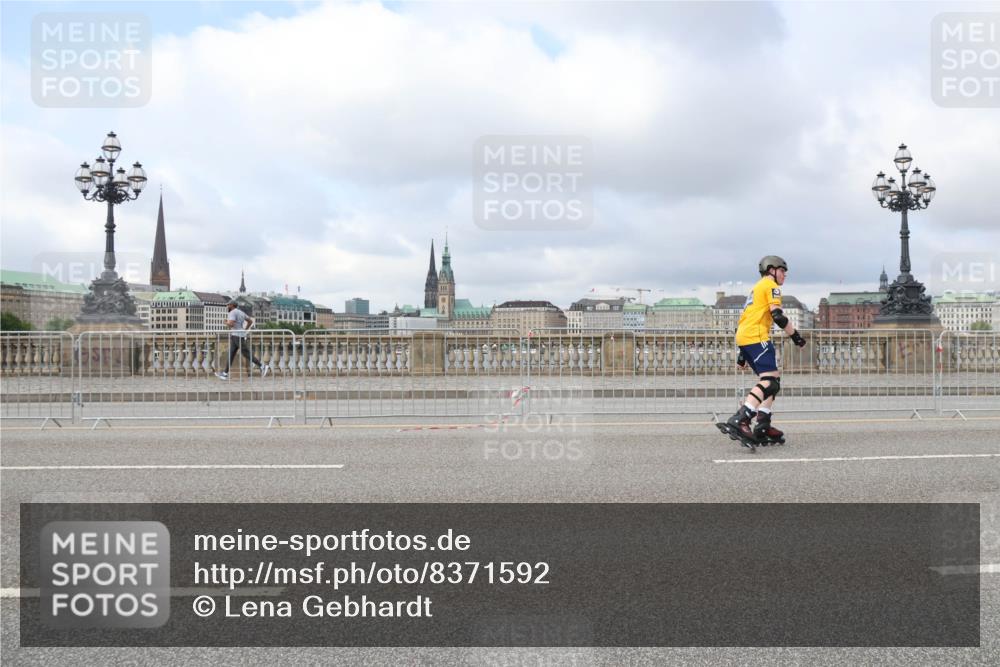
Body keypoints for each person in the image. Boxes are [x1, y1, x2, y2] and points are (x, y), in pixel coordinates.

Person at [717, 255, 807, 452]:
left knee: (773, 382)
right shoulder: (771, 286)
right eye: (783, 271)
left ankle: (763, 424)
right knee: (769, 382)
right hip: (756, 336)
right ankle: (741, 418)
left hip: (746, 336)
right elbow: (777, 315)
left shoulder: (755, 289)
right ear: (772, 270)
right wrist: (796, 337)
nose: (785, 275)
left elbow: (746, 318)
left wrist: (742, 354)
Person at [216, 300, 270, 380]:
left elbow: (231, 324)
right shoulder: (241, 312)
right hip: (237, 335)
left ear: (232, 305)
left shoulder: (232, 312)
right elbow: (250, 321)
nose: (227, 306)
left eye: (228, 305)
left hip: (237, 336)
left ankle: (262, 366)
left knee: (246, 353)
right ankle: (225, 374)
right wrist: (244, 329)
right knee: (231, 354)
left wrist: (225, 322)